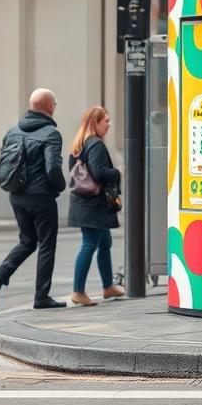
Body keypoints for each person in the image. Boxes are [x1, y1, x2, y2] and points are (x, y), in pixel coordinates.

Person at [0, 88, 67, 312]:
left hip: (17, 197)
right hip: (41, 198)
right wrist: (60, 186)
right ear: (50, 106)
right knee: (46, 244)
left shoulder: (12, 131)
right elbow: (53, 169)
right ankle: (41, 296)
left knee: (27, 241)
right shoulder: (51, 133)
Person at [68, 106, 124, 306]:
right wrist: (117, 172)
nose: (109, 124)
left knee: (104, 243)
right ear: (95, 123)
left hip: (85, 203)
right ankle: (78, 291)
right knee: (90, 244)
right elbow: (99, 173)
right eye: (106, 121)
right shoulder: (96, 145)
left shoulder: (80, 143)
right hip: (94, 205)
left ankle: (108, 287)